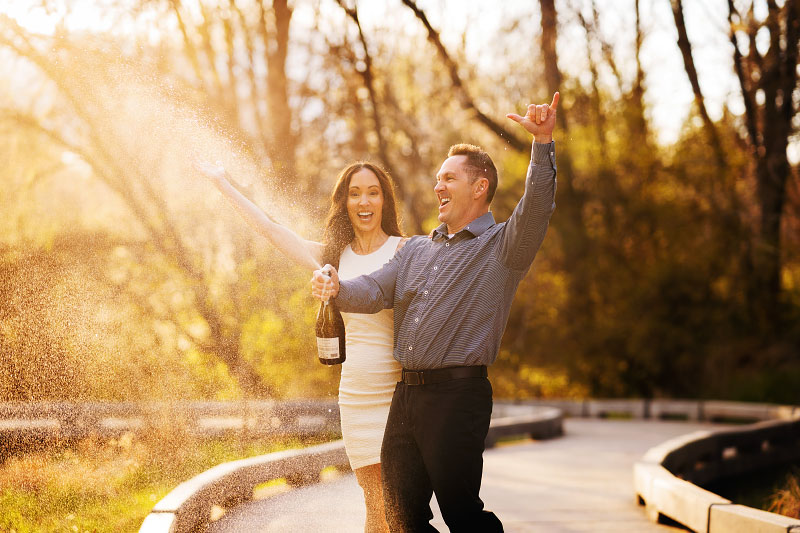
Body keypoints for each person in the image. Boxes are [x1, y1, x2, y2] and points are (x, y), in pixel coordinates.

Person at [311, 92, 560, 532]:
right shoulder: (417, 250)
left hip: (457, 395)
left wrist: (542, 143)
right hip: (405, 397)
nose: (437, 187)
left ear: (479, 187)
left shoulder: (502, 247)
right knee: (401, 512)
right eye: (437, 179)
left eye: (448, 179)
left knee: (462, 513)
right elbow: (370, 290)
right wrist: (336, 288)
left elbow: (537, 207)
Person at [193, 159, 406, 533]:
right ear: (344, 203)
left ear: (385, 200)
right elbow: (270, 230)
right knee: (374, 502)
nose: (364, 201)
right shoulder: (332, 258)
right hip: (356, 394)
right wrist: (222, 183)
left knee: (402, 503)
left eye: (373, 191)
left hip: (401, 394)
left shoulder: (407, 251)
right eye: (354, 193)